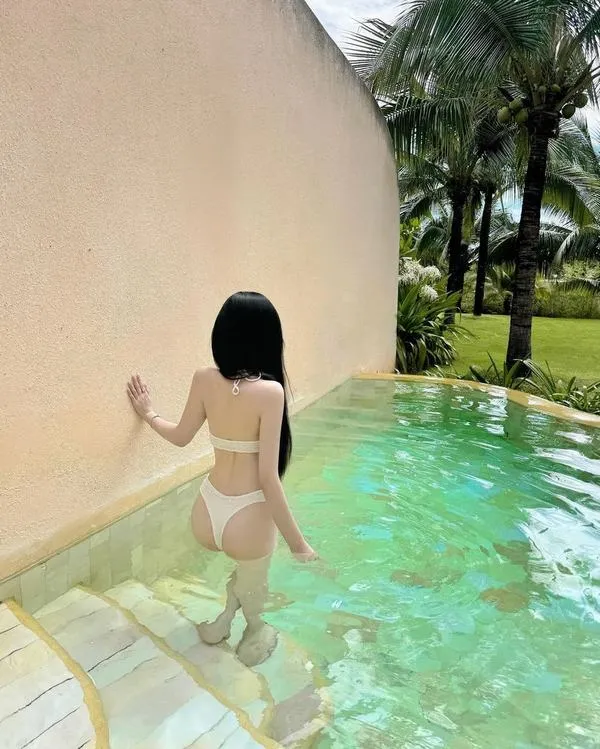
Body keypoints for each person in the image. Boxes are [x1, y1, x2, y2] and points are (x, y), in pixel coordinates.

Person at [127, 291, 317, 667]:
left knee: (244, 570)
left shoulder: (204, 379)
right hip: (247, 516)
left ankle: (223, 620)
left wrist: (148, 413)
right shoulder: (270, 392)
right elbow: (268, 478)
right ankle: (253, 630)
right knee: (255, 580)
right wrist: (299, 545)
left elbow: (181, 436)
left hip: (206, 511)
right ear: (268, 340)